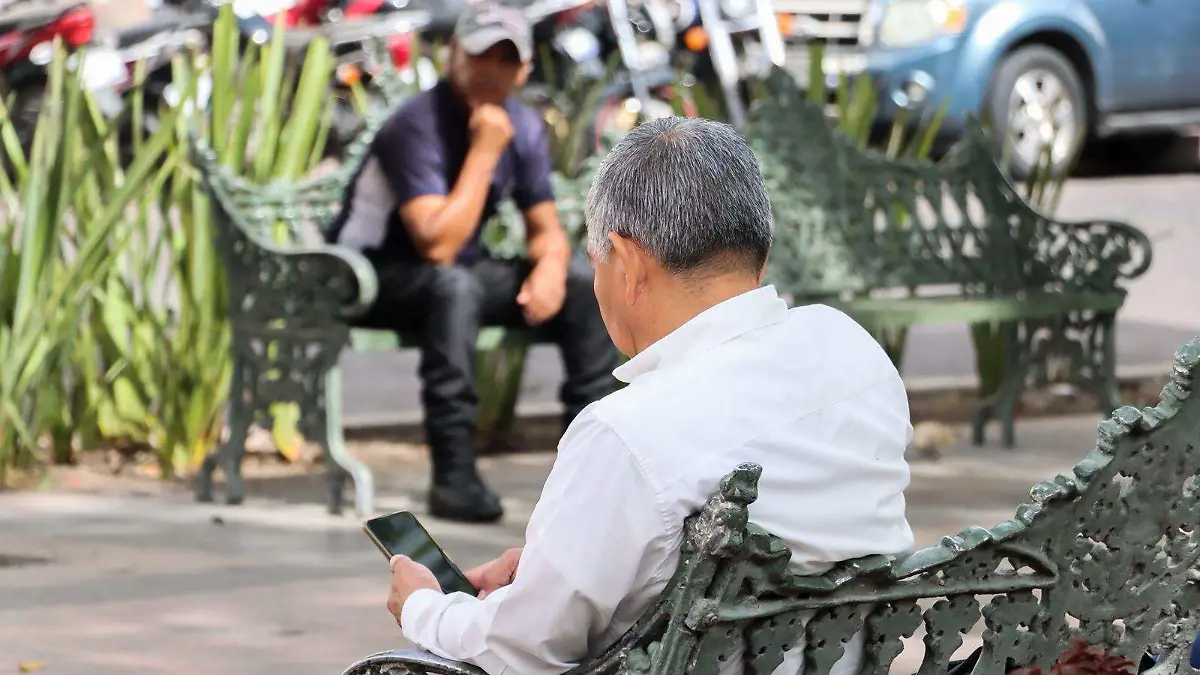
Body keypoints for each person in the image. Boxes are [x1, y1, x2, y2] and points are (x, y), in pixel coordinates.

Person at [384, 117, 916, 675]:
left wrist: (424, 606)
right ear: (759, 253)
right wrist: (551, 570)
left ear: (629, 262)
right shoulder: (851, 348)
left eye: (597, 264)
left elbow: (520, 651)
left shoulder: (627, 431)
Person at [326, 1, 620, 524]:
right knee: (452, 286)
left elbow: (545, 227)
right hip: (368, 275)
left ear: (524, 69)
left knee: (580, 281)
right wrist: (484, 150)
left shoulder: (521, 126)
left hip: (450, 275)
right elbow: (435, 243)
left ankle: (589, 472)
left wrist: (551, 265)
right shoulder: (415, 125)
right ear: (452, 54)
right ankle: (454, 475)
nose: (490, 69)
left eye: (505, 60)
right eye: (479, 54)